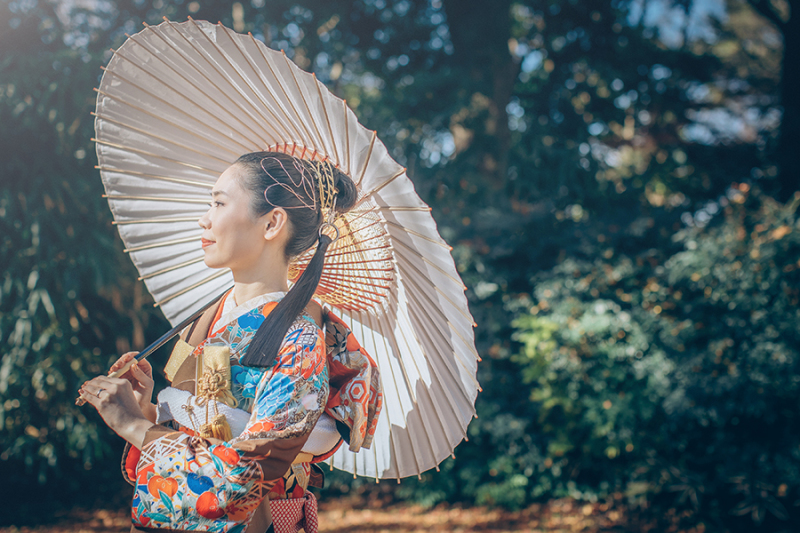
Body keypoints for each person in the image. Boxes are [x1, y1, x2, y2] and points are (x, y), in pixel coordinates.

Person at [78, 152, 382, 533]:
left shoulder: (301, 341)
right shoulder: (207, 318)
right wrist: (150, 412)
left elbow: (243, 476)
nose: (204, 219)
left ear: (272, 223)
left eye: (219, 203)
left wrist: (134, 425)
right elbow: (196, 430)